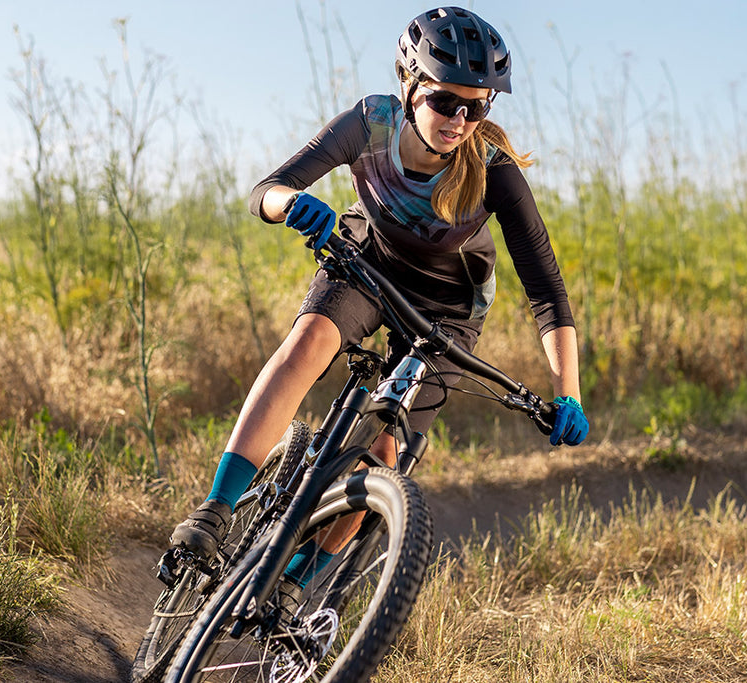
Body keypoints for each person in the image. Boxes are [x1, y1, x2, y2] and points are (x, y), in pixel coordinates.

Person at [170, 6, 589, 586]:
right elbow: (265, 190)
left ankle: (294, 584)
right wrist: (290, 204)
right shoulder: (371, 126)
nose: (460, 119)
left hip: (446, 310)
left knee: (384, 453)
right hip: (368, 263)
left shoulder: (495, 173)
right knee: (310, 341)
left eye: (478, 105)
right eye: (446, 101)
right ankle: (215, 511)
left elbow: (546, 291)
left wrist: (567, 392)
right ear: (411, 85)